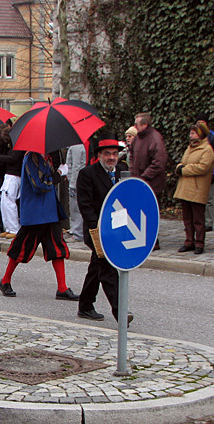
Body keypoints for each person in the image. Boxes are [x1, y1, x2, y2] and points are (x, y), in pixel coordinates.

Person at [0, 151, 79, 302]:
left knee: (57, 249)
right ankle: (5, 280)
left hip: (49, 211)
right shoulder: (30, 158)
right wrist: (59, 173)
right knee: (21, 248)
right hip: (35, 213)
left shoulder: (44, 157)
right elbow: (40, 185)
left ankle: (62, 288)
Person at [76, 135, 133, 324]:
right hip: (96, 231)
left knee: (96, 267)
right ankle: (121, 312)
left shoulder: (122, 171)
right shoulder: (87, 174)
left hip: (116, 228)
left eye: (115, 154)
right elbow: (85, 206)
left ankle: (85, 305)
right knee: (107, 268)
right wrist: (96, 231)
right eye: (107, 154)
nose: (111, 158)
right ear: (99, 155)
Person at [173, 122, 214, 254]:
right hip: (185, 188)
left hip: (197, 188)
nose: (190, 135)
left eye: (193, 132)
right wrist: (179, 167)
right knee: (187, 218)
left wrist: (184, 169)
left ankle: (199, 243)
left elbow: (203, 167)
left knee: (198, 218)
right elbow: (183, 162)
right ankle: (189, 241)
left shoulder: (207, 149)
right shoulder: (189, 148)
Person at [130, 112, 167, 250]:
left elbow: (159, 162)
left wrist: (144, 177)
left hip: (151, 183)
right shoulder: (137, 139)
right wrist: (133, 172)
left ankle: (153, 241)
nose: (135, 126)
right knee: (140, 212)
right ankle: (142, 238)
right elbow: (132, 155)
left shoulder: (155, 139)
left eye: (137, 124)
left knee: (150, 213)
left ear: (145, 124)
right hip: (139, 181)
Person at [0, 127, 24, 238]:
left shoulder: (18, 147)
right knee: (4, 202)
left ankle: (14, 228)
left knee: (9, 201)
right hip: (9, 175)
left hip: (14, 176)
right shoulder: (12, 147)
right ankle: (8, 227)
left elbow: (13, 158)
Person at [195, 113, 214, 231]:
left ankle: (209, 222)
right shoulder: (194, 137)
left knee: (209, 198)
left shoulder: (213, 136)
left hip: (210, 173)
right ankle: (197, 221)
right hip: (197, 173)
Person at [66, 143, 86, 242]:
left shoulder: (76, 146)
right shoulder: (74, 146)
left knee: (75, 207)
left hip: (75, 182)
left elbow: (76, 166)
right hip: (74, 181)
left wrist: (73, 183)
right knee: (73, 207)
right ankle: (75, 229)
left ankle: (77, 232)